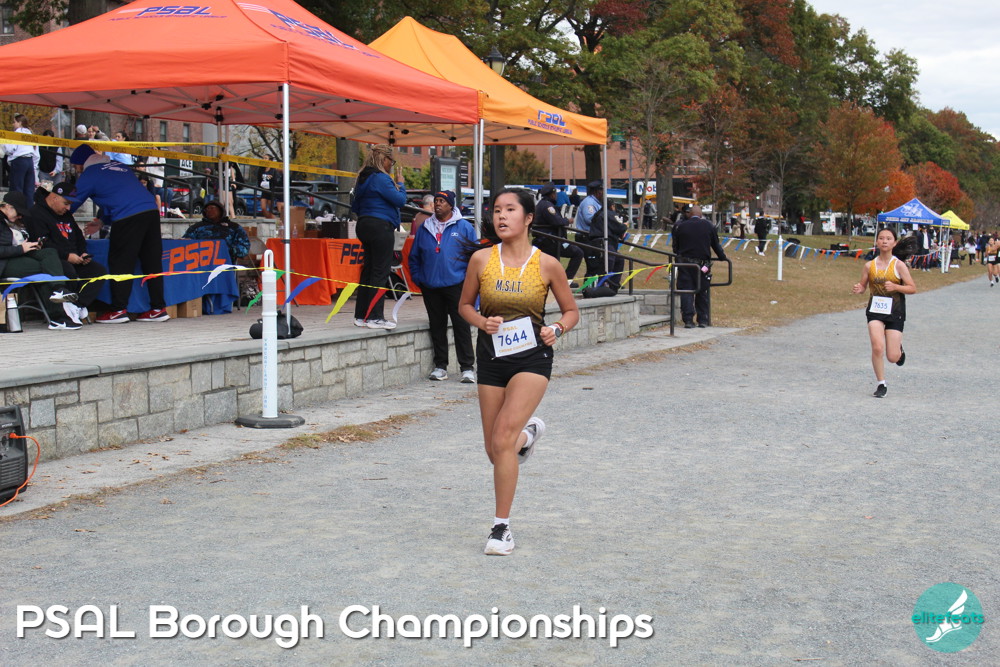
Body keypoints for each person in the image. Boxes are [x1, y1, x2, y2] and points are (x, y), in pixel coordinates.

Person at [458, 188, 579, 556]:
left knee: (502, 437)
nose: (501, 216)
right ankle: (528, 436)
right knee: (495, 450)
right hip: (491, 358)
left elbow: (571, 311)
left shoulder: (548, 264)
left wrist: (557, 328)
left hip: (532, 359)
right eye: (497, 210)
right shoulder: (481, 259)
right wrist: (482, 322)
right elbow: (464, 306)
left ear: (528, 218)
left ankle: (501, 529)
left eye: (510, 210)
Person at [67, 144, 169, 324]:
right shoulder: (119, 166)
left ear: (81, 163)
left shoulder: (90, 174)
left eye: (76, 166)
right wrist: (101, 221)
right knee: (152, 261)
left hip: (127, 216)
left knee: (121, 262)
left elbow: (71, 202)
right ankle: (158, 308)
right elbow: (120, 194)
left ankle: (118, 310)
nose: (76, 170)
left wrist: (55, 216)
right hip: (151, 212)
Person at [408, 190, 478, 383]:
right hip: (431, 285)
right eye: (436, 201)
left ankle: (467, 368)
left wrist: (469, 281)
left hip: (456, 284)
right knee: (436, 326)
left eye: (442, 201)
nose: (438, 204)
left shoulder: (464, 227)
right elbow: (414, 257)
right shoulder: (425, 227)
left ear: (451, 205)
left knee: (461, 325)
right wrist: (419, 278)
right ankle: (440, 366)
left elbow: (475, 257)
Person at [26, 182, 110, 324]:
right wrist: (67, 256)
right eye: (66, 203)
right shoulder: (36, 213)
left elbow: (79, 237)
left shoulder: (66, 215)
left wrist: (83, 253)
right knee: (68, 270)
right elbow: (43, 243)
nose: (68, 208)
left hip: (74, 257)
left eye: (70, 204)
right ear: (54, 198)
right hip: (52, 260)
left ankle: (77, 305)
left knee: (98, 271)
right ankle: (64, 311)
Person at [851, 227, 917, 398]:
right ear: (877, 242)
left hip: (895, 311)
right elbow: (863, 286)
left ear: (894, 243)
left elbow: (912, 288)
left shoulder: (899, 265)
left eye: (888, 238)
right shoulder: (869, 266)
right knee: (877, 346)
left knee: (892, 357)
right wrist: (859, 288)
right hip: (875, 311)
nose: (884, 241)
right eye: (881, 238)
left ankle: (899, 350)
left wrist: (896, 287)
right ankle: (881, 383)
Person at [0, 191, 81, 330]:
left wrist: (32, 245)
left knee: (49, 252)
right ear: (7, 206)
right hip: (5, 262)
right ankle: (58, 316)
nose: (20, 216)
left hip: (20, 255)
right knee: (45, 272)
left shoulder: (15, 222)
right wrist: (20, 249)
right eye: (19, 213)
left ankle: (58, 289)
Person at [350, 144, 407, 330]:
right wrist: (401, 184)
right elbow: (400, 200)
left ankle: (361, 315)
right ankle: (375, 317)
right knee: (380, 272)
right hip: (381, 226)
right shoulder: (381, 178)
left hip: (364, 224)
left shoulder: (363, 178)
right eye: (391, 161)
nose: (391, 165)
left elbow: (355, 205)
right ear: (384, 159)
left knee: (368, 270)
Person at [672, 204, 728, 328]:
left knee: (686, 290)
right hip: (702, 264)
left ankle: (688, 319)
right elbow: (715, 245)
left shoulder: (681, 226)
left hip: (685, 263)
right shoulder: (708, 226)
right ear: (701, 214)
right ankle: (703, 319)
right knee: (702, 290)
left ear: (690, 214)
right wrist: (722, 257)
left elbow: (676, 247)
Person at [532, 183, 583, 285]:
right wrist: (567, 221)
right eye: (555, 194)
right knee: (578, 253)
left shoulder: (542, 204)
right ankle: (566, 281)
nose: (556, 196)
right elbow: (557, 221)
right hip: (549, 241)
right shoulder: (547, 206)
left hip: (547, 240)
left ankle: (560, 281)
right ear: (552, 194)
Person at [3, 115, 39, 200]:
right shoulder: (30, 133)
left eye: (14, 122)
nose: (13, 124)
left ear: (20, 123)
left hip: (19, 161)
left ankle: (17, 207)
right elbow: (36, 153)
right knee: (29, 189)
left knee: (17, 188)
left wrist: (4, 143)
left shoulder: (17, 133)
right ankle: (29, 207)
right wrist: (34, 166)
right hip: (30, 161)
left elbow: (10, 149)